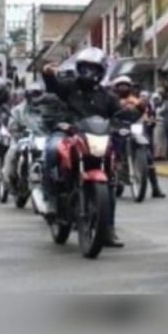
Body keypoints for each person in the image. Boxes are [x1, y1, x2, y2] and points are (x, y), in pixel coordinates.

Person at [41, 47, 126, 247]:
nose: (88, 73)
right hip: (69, 133)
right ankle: (51, 198)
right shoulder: (69, 86)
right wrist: (48, 72)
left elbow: (120, 115)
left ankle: (109, 230)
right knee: (52, 149)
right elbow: (53, 85)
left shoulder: (107, 96)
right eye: (85, 68)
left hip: (96, 138)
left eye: (93, 69)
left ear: (101, 71)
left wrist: (125, 122)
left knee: (111, 181)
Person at [110, 76, 166, 198]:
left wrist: (145, 113)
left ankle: (156, 188)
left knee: (148, 156)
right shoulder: (112, 100)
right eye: (120, 86)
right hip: (117, 129)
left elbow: (144, 112)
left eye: (126, 86)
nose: (123, 88)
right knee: (109, 149)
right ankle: (112, 174)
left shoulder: (135, 100)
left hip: (133, 128)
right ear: (116, 88)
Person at [1, 80, 45, 186]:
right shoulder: (18, 110)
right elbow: (12, 125)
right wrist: (18, 132)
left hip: (43, 140)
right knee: (12, 154)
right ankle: (11, 179)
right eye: (33, 94)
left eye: (38, 94)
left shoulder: (47, 108)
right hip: (23, 140)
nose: (35, 97)